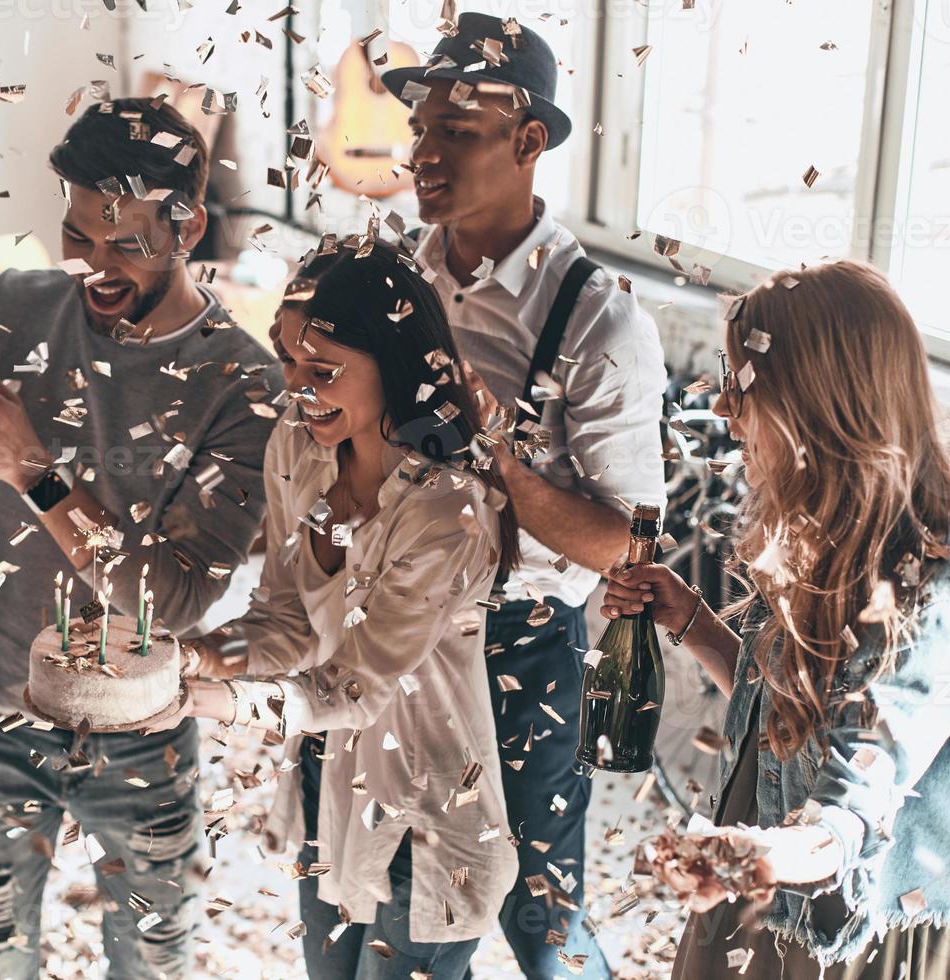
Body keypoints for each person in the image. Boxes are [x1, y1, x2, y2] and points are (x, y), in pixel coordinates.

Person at [0, 97, 282, 978]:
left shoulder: (243, 385)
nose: (93, 269)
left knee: (151, 962)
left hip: (144, 726)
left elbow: (177, 598)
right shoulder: (5, 309)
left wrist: (34, 471)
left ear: (184, 227)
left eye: (124, 246)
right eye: (79, 236)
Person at [381, 12, 669, 977]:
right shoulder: (389, 277)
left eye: (454, 132)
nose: (422, 153)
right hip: (386, 620)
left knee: (539, 921)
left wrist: (496, 457)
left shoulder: (598, 322)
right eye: (420, 128)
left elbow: (626, 550)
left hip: (520, 647)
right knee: (400, 894)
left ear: (528, 140)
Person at [164, 240, 521, 977]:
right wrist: (184, 658)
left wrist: (205, 701)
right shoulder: (297, 448)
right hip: (325, 786)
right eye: (287, 360)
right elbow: (286, 620)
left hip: (425, 823)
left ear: (391, 362)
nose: (294, 388)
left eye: (320, 370)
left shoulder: (442, 509)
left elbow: (350, 689)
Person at [600, 260, 950, 978]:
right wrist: (695, 622)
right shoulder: (817, 529)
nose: (725, 410)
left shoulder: (934, 585)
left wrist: (759, 855)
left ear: (815, 401)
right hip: (762, 871)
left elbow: (858, 798)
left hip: (843, 922)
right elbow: (790, 720)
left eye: (739, 384)